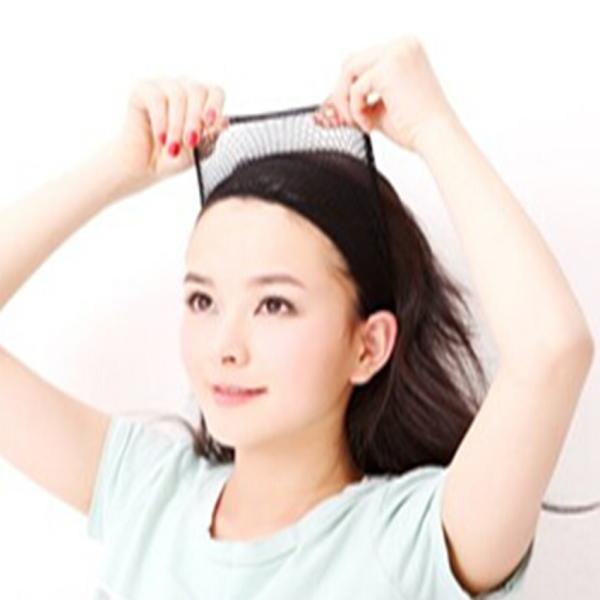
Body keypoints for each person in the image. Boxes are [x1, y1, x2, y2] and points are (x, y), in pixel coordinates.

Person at [0, 36, 594, 599]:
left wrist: (434, 129)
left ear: (368, 346)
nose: (225, 347)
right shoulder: (148, 492)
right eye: (203, 301)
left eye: (274, 304)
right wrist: (119, 167)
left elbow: (552, 351)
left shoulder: (413, 540)